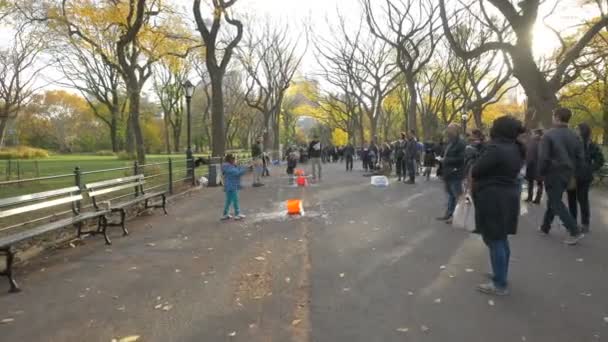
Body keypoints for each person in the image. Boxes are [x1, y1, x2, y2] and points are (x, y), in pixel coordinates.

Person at [472, 116, 526, 296]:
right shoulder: (516, 148)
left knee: (495, 239)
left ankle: (499, 283)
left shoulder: (496, 149)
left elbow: (477, 170)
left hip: (493, 197)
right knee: (500, 238)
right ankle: (500, 273)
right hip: (507, 196)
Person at [538, 108, 585, 245]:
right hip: (569, 173)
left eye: (553, 116)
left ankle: (574, 230)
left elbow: (544, 158)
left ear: (557, 117)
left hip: (553, 173)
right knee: (554, 200)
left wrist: (541, 173)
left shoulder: (548, 135)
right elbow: (581, 158)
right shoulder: (575, 136)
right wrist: (574, 172)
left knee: (555, 202)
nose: (552, 118)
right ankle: (545, 227)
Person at [567, 123, 605, 233]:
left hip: (584, 177)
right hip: (572, 176)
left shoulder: (590, 145)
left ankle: (585, 224)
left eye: (577, 129)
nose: (575, 131)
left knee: (582, 200)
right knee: (572, 200)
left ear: (582, 131)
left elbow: (600, 160)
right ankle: (573, 223)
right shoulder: (572, 143)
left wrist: (590, 169)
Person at [436, 124, 466, 223]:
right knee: (450, 195)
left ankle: (457, 217)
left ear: (456, 131)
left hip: (456, 173)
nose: (447, 131)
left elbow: (462, 159)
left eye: (450, 129)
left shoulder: (461, 143)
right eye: (447, 129)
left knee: (457, 195)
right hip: (448, 173)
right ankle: (449, 214)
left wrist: (446, 160)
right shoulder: (450, 142)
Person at [221, 154, 247, 221]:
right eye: (234, 159)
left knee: (229, 201)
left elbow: (237, 170)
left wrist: (240, 166)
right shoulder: (229, 167)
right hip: (232, 186)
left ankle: (225, 214)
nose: (235, 160)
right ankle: (237, 214)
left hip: (230, 186)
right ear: (231, 160)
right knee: (235, 200)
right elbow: (238, 173)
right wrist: (245, 168)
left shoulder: (229, 166)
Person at [525, 129, 544, 204]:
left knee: (531, 182)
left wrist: (527, 163)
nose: (532, 135)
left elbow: (529, 155)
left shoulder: (532, 142)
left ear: (537, 134)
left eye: (533, 133)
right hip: (540, 166)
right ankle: (537, 199)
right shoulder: (543, 142)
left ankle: (530, 197)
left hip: (532, 165)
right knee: (540, 183)